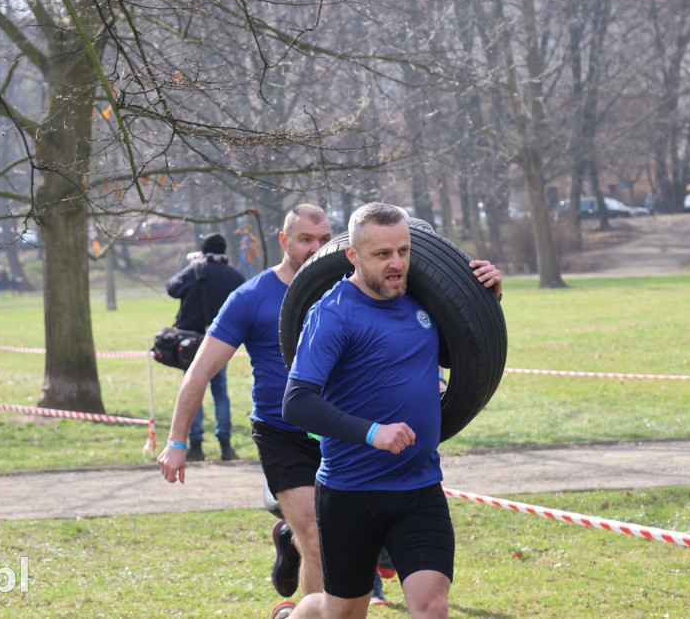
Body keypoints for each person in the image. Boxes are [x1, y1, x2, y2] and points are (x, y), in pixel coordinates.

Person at [275, 202, 502, 619]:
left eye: (403, 251)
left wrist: (484, 296)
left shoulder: (424, 302)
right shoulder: (332, 314)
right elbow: (297, 402)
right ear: (352, 255)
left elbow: (461, 351)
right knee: (341, 612)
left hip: (419, 486)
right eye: (382, 254)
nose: (397, 263)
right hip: (351, 491)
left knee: (432, 607)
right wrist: (371, 432)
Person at [157, 204, 333, 601]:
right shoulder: (251, 297)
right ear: (284, 241)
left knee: (344, 534)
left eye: (324, 239)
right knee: (317, 537)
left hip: (341, 428)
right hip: (281, 431)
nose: (316, 249)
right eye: (306, 240)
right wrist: (177, 442)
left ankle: (289, 540)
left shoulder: (350, 287)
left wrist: (475, 283)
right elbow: (199, 372)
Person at [165, 232, 245, 461]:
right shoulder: (234, 276)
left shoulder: (194, 271)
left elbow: (171, 288)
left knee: (193, 388)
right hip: (222, 342)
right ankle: (225, 445)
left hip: (191, 343)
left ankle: (196, 445)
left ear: (202, 251)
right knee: (220, 392)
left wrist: (192, 266)